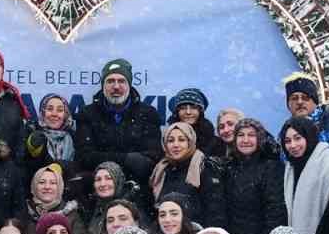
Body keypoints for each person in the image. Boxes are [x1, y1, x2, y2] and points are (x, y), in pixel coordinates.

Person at [74, 58, 164, 186]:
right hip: (98, 183)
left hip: (137, 185)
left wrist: (104, 157)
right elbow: (84, 158)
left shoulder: (148, 114)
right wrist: (127, 159)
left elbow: (150, 159)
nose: (116, 86)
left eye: (121, 81)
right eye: (110, 81)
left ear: (129, 85)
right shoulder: (87, 114)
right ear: (103, 85)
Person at [220, 118, 287, 234]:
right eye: (241, 135)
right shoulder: (228, 168)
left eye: (251, 135)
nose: (245, 140)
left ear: (259, 139)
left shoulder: (271, 167)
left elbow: (275, 211)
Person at [282, 115, 329, 234]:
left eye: (298, 138)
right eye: (287, 141)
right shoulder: (290, 166)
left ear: (309, 137)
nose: (293, 145)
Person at [150, 121, 225, 226]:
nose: (176, 145)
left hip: (195, 233)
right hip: (167, 233)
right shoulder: (161, 169)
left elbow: (215, 211)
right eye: (170, 141)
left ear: (190, 142)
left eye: (181, 140)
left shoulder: (204, 168)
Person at [21, 164, 89, 234]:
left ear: (60, 187)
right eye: (42, 182)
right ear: (34, 186)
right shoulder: (24, 213)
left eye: (53, 183)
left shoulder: (72, 216)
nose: (47, 187)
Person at [283, 71, 329, 161]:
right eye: (294, 98)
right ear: (288, 104)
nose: (299, 102)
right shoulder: (285, 132)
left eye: (305, 97)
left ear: (315, 102)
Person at [82, 161, 145, 234]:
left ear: (118, 180)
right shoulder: (92, 209)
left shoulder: (132, 208)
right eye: (98, 179)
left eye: (108, 178)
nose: (103, 184)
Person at [23, 93, 78, 179]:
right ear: (42, 112)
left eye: (59, 110)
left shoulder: (75, 137)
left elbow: (78, 168)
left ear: (65, 114)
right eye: (49, 109)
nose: (54, 114)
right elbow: (28, 168)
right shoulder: (32, 135)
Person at [169, 87, 225, 159]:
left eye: (193, 107)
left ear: (200, 111)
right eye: (183, 108)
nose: (188, 112)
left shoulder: (215, 143)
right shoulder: (168, 138)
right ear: (177, 112)